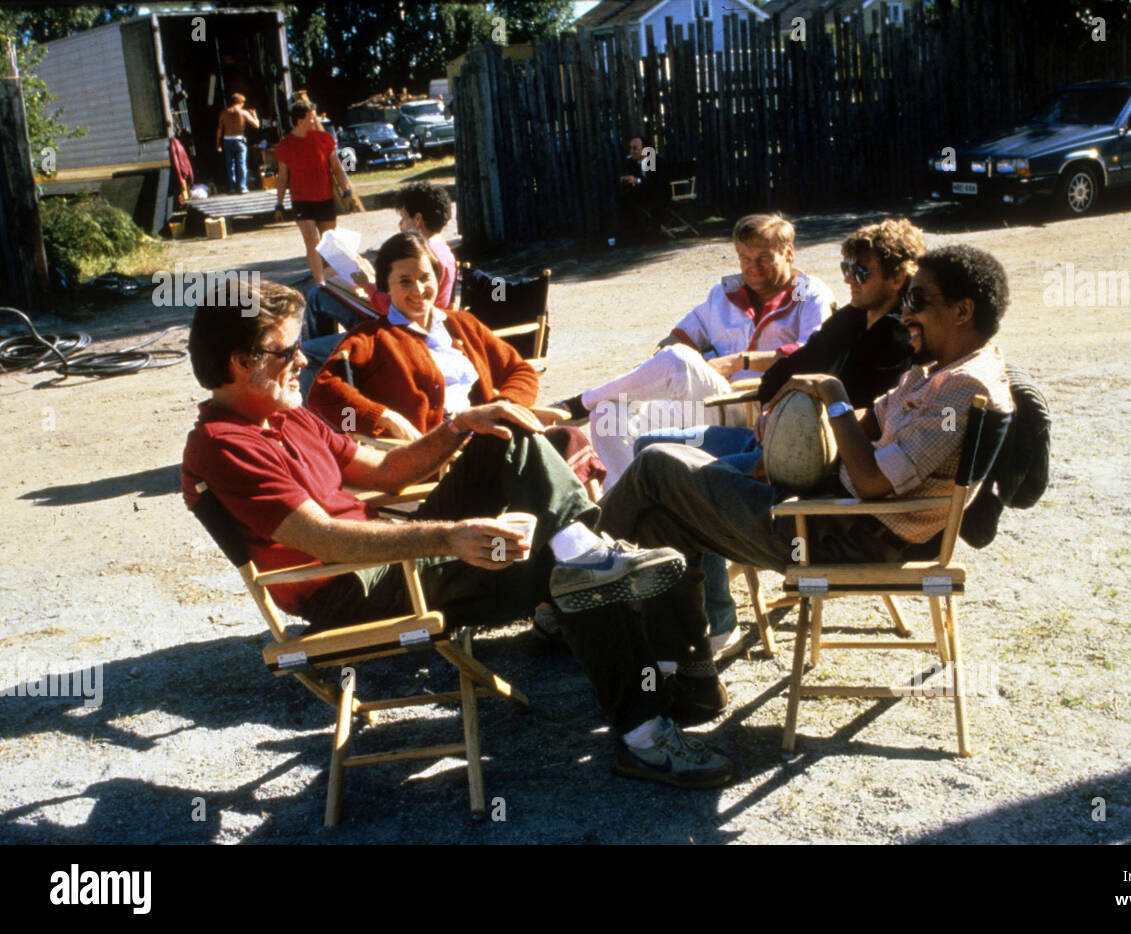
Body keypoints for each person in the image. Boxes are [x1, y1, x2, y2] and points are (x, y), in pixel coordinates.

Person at [180, 281, 736, 788]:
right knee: (563, 572)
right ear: (240, 361)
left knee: (502, 431)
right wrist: (452, 537)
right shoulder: (224, 444)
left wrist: (458, 427)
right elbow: (327, 541)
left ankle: (586, 554)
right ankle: (644, 734)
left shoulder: (287, 415)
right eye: (287, 352)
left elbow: (383, 472)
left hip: (382, 563)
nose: (303, 360)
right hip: (348, 591)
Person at [596, 244, 1016, 702]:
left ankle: (578, 566)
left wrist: (832, 393)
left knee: (658, 463)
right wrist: (783, 449)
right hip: (830, 511)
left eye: (917, 302)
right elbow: (868, 419)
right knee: (663, 520)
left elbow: (874, 481)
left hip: (842, 534)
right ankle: (694, 680)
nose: (906, 315)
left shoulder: (962, 388)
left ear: (962, 311)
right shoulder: (936, 369)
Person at [630, 218, 924, 658]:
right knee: (648, 444)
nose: (848, 278)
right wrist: (770, 407)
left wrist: (787, 431)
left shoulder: (902, 338)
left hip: (808, 462)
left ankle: (715, 621)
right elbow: (793, 366)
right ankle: (622, 572)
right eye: (846, 266)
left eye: (861, 271)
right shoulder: (853, 318)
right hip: (773, 437)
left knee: (681, 490)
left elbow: (865, 420)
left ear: (899, 277)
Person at [305, 231, 604, 496]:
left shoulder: (462, 324)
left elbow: (520, 369)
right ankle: (582, 542)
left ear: (437, 277)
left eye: (425, 277)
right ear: (386, 286)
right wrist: (383, 417)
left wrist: (504, 406)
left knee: (567, 439)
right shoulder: (371, 338)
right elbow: (323, 393)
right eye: (404, 282)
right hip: (439, 457)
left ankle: (590, 535)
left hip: (489, 437)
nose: (419, 289)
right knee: (558, 444)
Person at [554, 213, 834, 486]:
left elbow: (809, 354)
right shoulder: (724, 294)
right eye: (745, 259)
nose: (753, 268)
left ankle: (578, 403)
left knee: (679, 360)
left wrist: (738, 361)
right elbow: (676, 339)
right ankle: (626, 502)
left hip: (764, 407)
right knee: (608, 415)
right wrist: (682, 364)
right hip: (712, 402)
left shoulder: (809, 294)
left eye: (764, 258)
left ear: (788, 253)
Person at [302, 181, 457, 342]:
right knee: (324, 292)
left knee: (318, 296)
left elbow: (392, 308)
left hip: (400, 329)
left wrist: (367, 285)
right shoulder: (445, 251)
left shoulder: (422, 257)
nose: (400, 225)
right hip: (421, 322)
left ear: (418, 220)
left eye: (404, 218)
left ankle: (323, 355)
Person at [274, 98, 354, 286]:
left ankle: (335, 280)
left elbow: (337, 168)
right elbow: (283, 178)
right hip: (301, 201)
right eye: (311, 117)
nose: (315, 121)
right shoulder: (285, 146)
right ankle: (320, 285)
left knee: (329, 243)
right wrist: (278, 203)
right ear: (300, 121)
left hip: (325, 198)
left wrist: (346, 191)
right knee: (312, 240)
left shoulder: (325, 140)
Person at [616, 135, 668, 239]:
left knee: (656, 198)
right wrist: (626, 179)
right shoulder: (631, 162)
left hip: (658, 193)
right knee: (623, 199)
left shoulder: (655, 160)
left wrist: (637, 181)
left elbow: (656, 182)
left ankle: (655, 232)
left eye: (635, 148)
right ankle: (634, 231)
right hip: (642, 194)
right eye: (630, 148)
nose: (631, 151)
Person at [216, 93, 259, 194]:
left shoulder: (224, 113)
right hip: (239, 140)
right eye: (243, 103)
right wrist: (254, 114)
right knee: (241, 164)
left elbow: (219, 129)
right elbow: (257, 125)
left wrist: (218, 144)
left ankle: (232, 188)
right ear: (240, 102)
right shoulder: (243, 112)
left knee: (230, 166)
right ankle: (242, 188)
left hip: (227, 141)